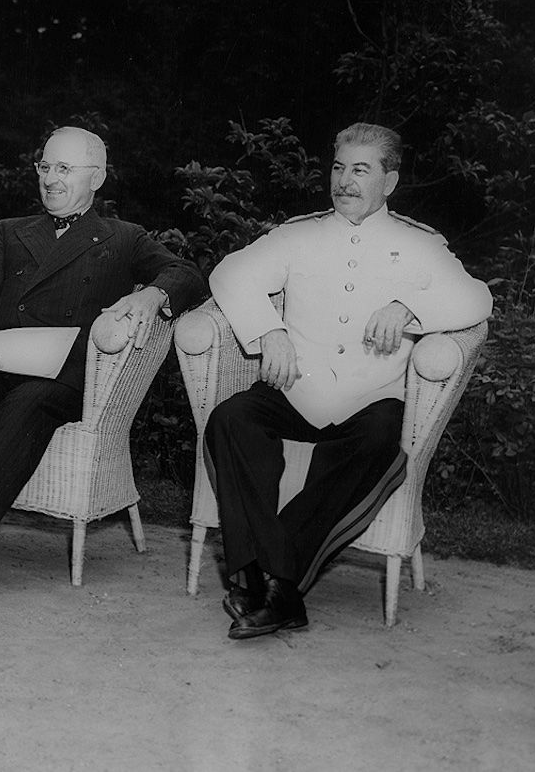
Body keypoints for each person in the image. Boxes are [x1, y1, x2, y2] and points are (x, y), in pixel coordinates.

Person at [0, 126, 205, 607]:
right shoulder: (11, 231)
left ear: (97, 177)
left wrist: (156, 293)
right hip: (4, 360)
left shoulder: (124, 237)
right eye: (45, 167)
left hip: (66, 378)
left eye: (64, 169)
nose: (51, 179)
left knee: (29, 405)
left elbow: (188, 274)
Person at [204, 122, 493, 639]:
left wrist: (410, 307)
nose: (345, 180)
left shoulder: (419, 244)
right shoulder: (298, 234)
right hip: (295, 387)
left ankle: (267, 584)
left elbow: (478, 299)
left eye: (360, 170)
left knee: (381, 440)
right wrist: (268, 331)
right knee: (231, 419)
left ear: (390, 182)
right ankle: (271, 586)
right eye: (339, 167)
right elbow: (229, 274)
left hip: (368, 398)